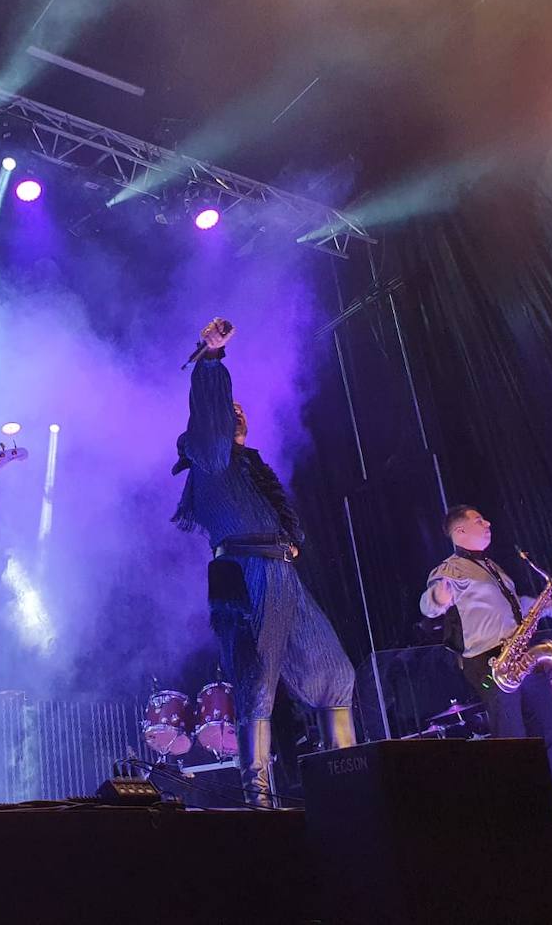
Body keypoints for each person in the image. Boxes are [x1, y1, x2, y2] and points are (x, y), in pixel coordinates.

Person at [172, 318, 356, 808]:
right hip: (247, 574)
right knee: (256, 684)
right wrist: (212, 361)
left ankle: (350, 787)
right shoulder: (210, 462)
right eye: (225, 413)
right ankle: (258, 800)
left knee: (335, 673)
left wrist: (291, 542)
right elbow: (209, 417)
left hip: (281, 571)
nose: (235, 415)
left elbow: (279, 507)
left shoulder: (250, 467)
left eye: (238, 411)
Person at [420, 505, 552, 791]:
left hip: (519, 654)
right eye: (479, 520)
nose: (487, 522)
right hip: (490, 662)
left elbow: (520, 608)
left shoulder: (494, 568)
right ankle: (522, 804)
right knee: (514, 738)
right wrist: (438, 597)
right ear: (459, 531)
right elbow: (428, 605)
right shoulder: (449, 568)